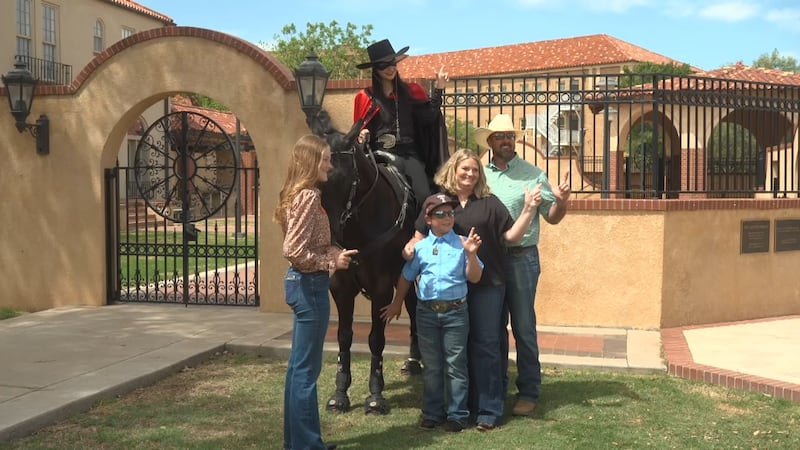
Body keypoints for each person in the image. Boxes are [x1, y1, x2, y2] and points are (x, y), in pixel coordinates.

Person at [403, 149, 541, 431]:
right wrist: (408, 249)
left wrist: (528, 209)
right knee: (457, 350)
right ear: (453, 170)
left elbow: (511, 236)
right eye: (465, 169)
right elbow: (419, 236)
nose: (470, 174)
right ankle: (461, 408)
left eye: (475, 170)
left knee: (486, 345)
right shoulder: (441, 201)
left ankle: (489, 409)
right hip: (452, 289)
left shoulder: (490, 203)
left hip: (488, 285)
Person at [476, 113, 571, 418]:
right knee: (492, 327)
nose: (505, 141)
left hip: (521, 259)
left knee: (523, 326)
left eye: (510, 136)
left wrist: (562, 202)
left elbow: (552, 217)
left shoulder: (533, 174)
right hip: (489, 259)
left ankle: (529, 389)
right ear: (490, 141)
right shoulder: (481, 175)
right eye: (499, 136)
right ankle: (497, 386)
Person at [273, 134, 358, 450]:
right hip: (309, 285)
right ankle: (307, 446)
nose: (329, 164)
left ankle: (295, 443)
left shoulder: (296, 195)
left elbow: (307, 243)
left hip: (301, 284)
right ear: (310, 162)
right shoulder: (308, 196)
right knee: (306, 372)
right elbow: (294, 249)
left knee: (298, 369)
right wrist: (331, 261)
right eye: (324, 158)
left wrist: (332, 250)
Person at [381, 193, 484, 433]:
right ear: (428, 219)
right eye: (441, 214)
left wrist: (471, 254)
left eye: (450, 213)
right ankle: (432, 412)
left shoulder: (462, 243)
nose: (448, 217)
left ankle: (457, 414)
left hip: (456, 313)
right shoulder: (420, 248)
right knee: (432, 365)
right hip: (426, 313)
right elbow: (407, 276)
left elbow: (475, 277)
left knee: (455, 364)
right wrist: (397, 303)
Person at [354, 38, 450, 205]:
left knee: (423, 195)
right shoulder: (365, 96)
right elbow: (357, 129)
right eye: (384, 65)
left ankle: (422, 230)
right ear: (375, 69)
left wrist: (439, 88)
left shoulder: (412, 91)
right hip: (378, 155)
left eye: (393, 63)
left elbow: (429, 116)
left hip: (408, 154)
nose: (390, 68)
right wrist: (361, 133)